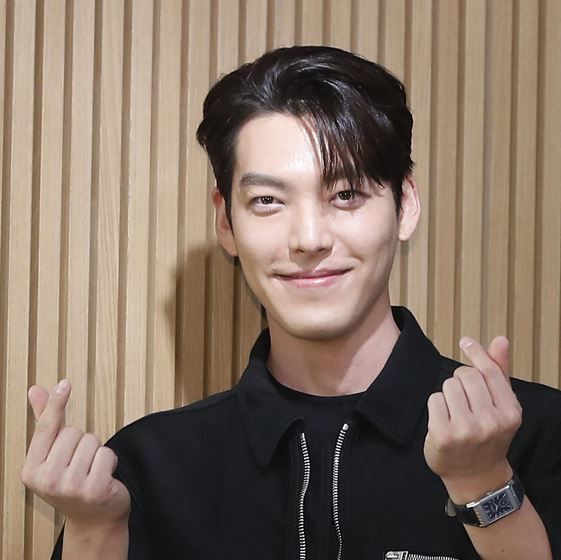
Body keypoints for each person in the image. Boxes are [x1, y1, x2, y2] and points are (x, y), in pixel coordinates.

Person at [21, 46, 560, 560]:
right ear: (226, 221)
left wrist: (486, 485)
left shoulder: (538, 433)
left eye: (346, 194)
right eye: (267, 201)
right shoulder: (150, 465)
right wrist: (95, 532)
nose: (308, 239)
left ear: (405, 205)